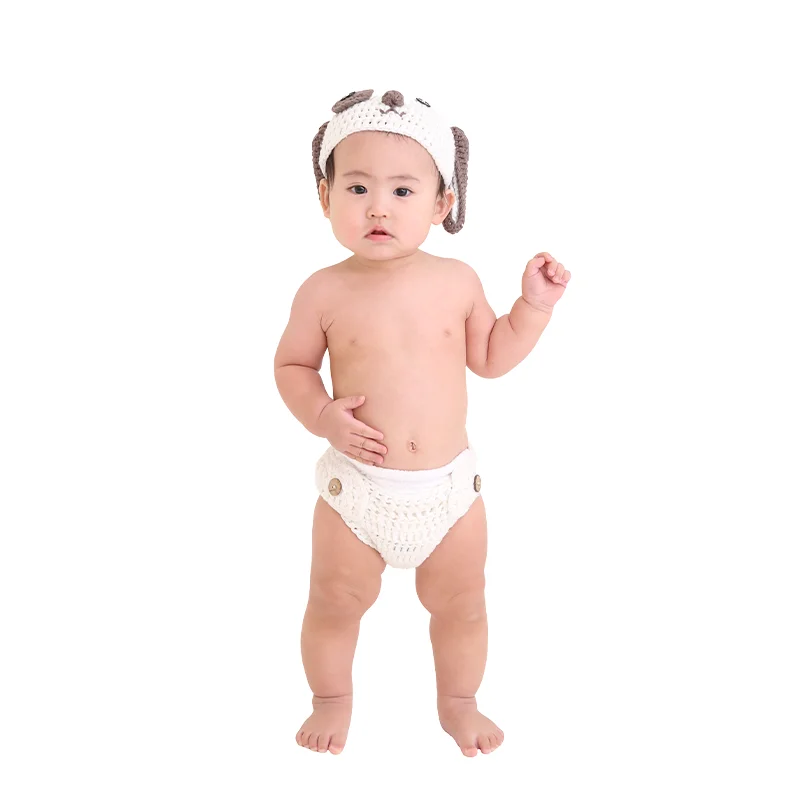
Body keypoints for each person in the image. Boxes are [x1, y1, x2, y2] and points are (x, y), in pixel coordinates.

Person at [274, 88, 571, 757]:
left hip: (448, 495)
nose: (378, 207)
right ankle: (331, 699)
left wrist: (532, 309)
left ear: (443, 204)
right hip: (357, 492)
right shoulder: (323, 290)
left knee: (464, 605)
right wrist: (321, 415)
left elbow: (491, 358)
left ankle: (460, 702)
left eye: (403, 191)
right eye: (357, 188)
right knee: (333, 601)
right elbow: (291, 366)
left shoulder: (458, 280)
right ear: (324, 197)